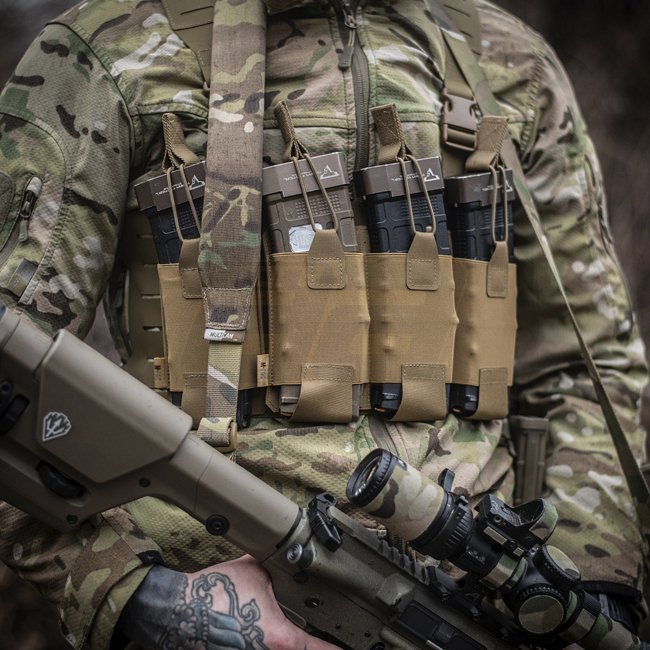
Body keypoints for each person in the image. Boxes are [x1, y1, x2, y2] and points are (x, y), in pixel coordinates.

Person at [0, 0, 647, 648]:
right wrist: (132, 595)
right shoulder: (114, 53)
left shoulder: (509, 65)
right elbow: (10, 371)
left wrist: (588, 586)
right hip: (223, 606)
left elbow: (586, 364)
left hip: (474, 613)